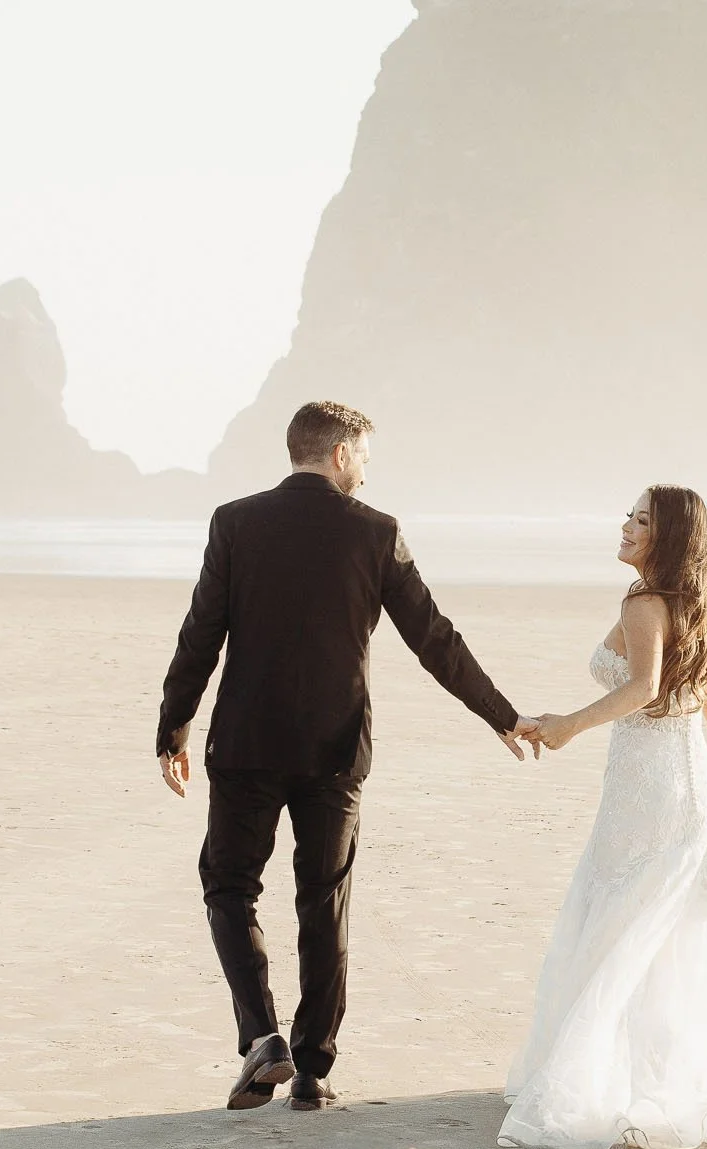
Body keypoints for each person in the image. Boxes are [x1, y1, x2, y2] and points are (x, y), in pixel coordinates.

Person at [156, 400, 538, 1111]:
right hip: (334, 750)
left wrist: (172, 724)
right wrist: (501, 713)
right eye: (364, 454)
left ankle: (262, 1036)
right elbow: (434, 638)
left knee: (229, 884)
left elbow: (200, 633)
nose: (368, 468)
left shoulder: (234, 522)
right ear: (338, 454)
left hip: (245, 743)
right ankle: (312, 1068)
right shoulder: (376, 533)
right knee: (322, 900)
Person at [502, 486, 707, 1149]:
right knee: (656, 927)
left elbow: (642, 687)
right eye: (629, 515)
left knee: (618, 917)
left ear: (665, 538)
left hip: (643, 791)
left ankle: (597, 1079)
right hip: (684, 786)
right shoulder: (697, 606)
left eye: (641, 520)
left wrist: (568, 724)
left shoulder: (642, 602)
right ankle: (648, 1075)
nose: (627, 526)